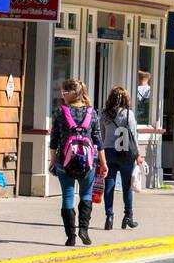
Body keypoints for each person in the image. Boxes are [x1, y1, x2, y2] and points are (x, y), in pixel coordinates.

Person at [48, 78, 106, 246]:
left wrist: (52, 160)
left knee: (67, 196)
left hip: (64, 162)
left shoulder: (60, 112)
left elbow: (54, 140)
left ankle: (70, 236)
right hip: (88, 163)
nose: (62, 96)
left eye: (64, 92)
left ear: (72, 93)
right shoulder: (92, 112)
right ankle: (84, 229)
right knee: (86, 195)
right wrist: (103, 163)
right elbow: (98, 140)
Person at [101, 86, 143, 230]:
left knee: (109, 186)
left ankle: (109, 216)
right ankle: (128, 216)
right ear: (126, 99)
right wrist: (137, 154)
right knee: (127, 187)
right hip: (125, 153)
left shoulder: (104, 114)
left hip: (108, 153)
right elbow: (133, 135)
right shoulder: (128, 114)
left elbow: (101, 134)